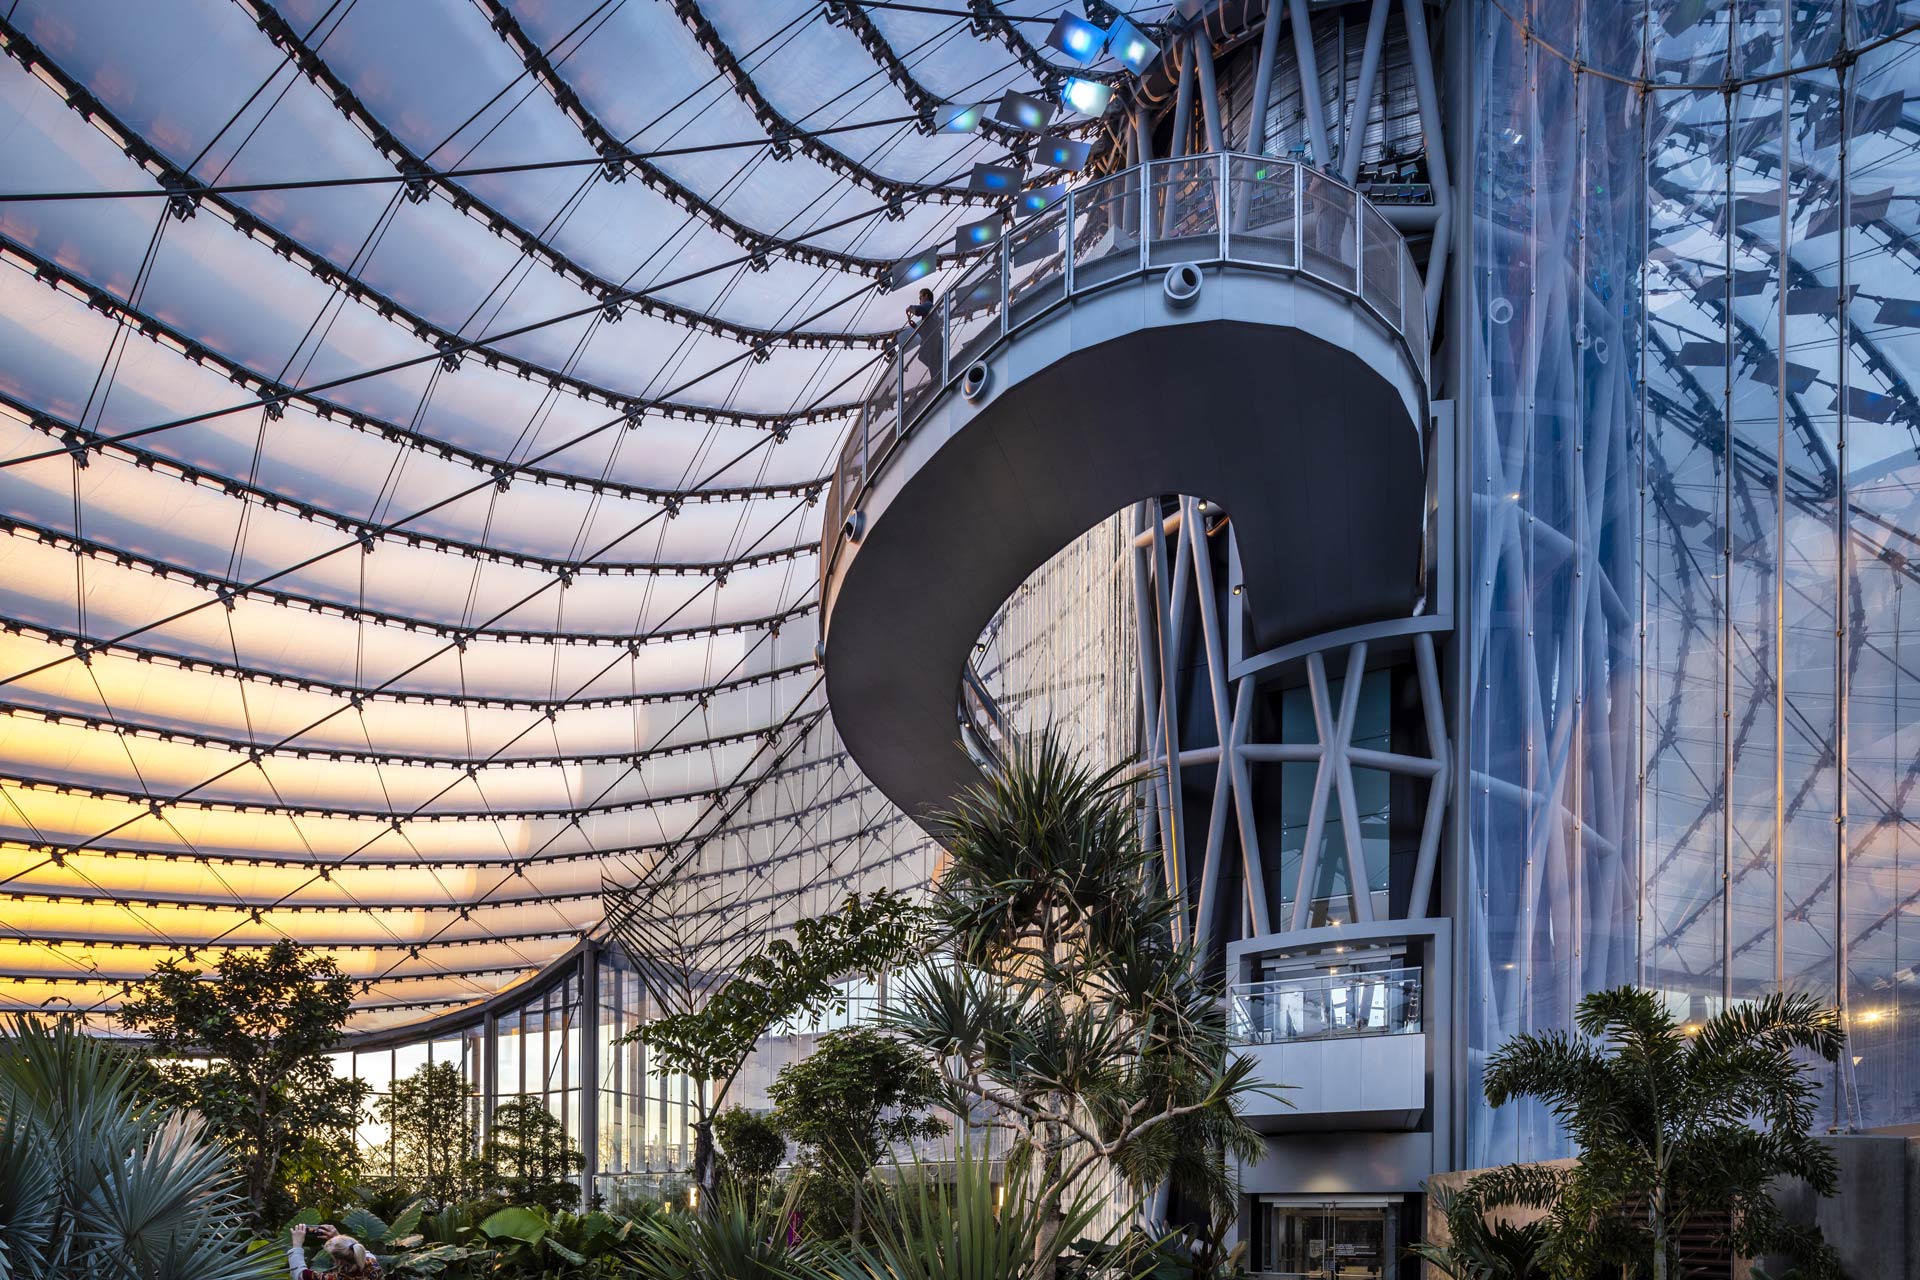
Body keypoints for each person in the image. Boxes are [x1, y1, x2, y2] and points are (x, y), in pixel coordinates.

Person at [290, 1223, 381, 1279]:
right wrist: (339, 1239)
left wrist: (297, 1244)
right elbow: (363, 1253)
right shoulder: (373, 1265)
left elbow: (299, 1274)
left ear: (338, 1262)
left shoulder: (335, 1278)